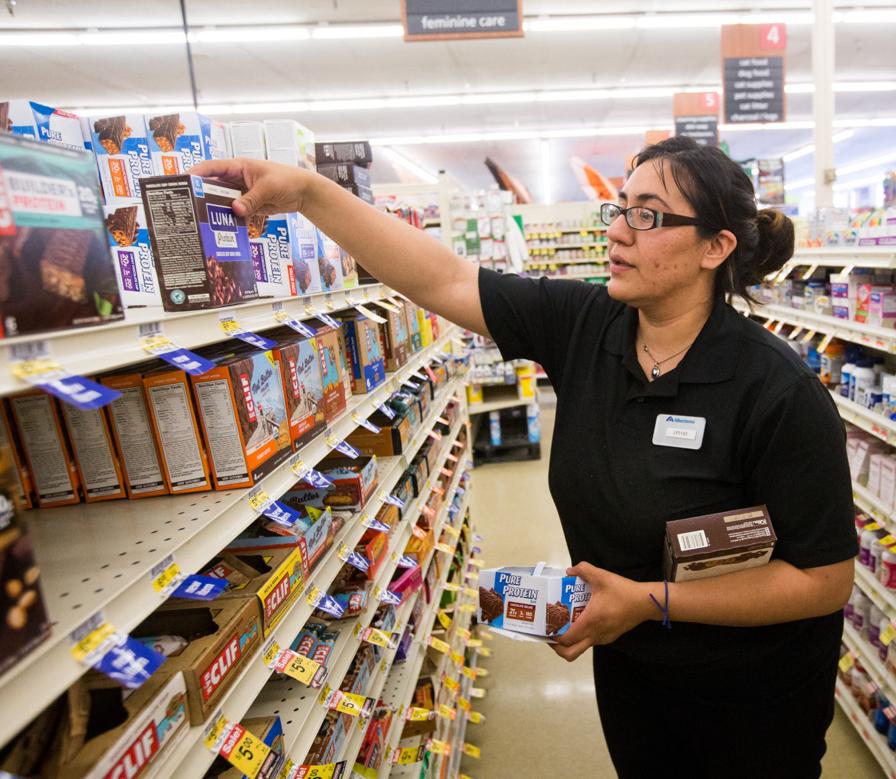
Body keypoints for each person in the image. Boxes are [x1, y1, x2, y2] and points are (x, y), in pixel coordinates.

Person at [190, 136, 857, 778]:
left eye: (647, 216)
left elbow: (825, 579)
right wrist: (308, 192)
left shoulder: (778, 393)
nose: (619, 230)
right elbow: (442, 278)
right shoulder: (586, 324)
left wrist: (652, 601)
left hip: (751, 698)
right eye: (619, 208)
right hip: (635, 673)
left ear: (717, 247)